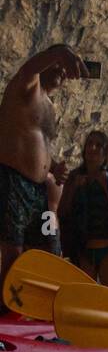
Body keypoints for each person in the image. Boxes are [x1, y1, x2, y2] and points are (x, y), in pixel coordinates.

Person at [0, 44, 89, 288]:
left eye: (63, 68)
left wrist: (51, 168)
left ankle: (35, 308)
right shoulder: (27, 86)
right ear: (46, 64)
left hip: (40, 192)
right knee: (13, 252)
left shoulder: (49, 106)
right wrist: (61, 52)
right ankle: (4, 312)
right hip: (13, 182)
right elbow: (29, 68)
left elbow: (36, 145)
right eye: (56, 66)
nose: (61, 71)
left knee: (50, 249)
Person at [58, 130, 108, 292]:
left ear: (105, 151)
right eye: (89, 144)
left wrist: (107, 187)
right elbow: (62, 212)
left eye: (98, 145)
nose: (93, 148)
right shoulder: (74, 178)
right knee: (85, 300)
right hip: (84, 250)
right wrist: (74, 188)